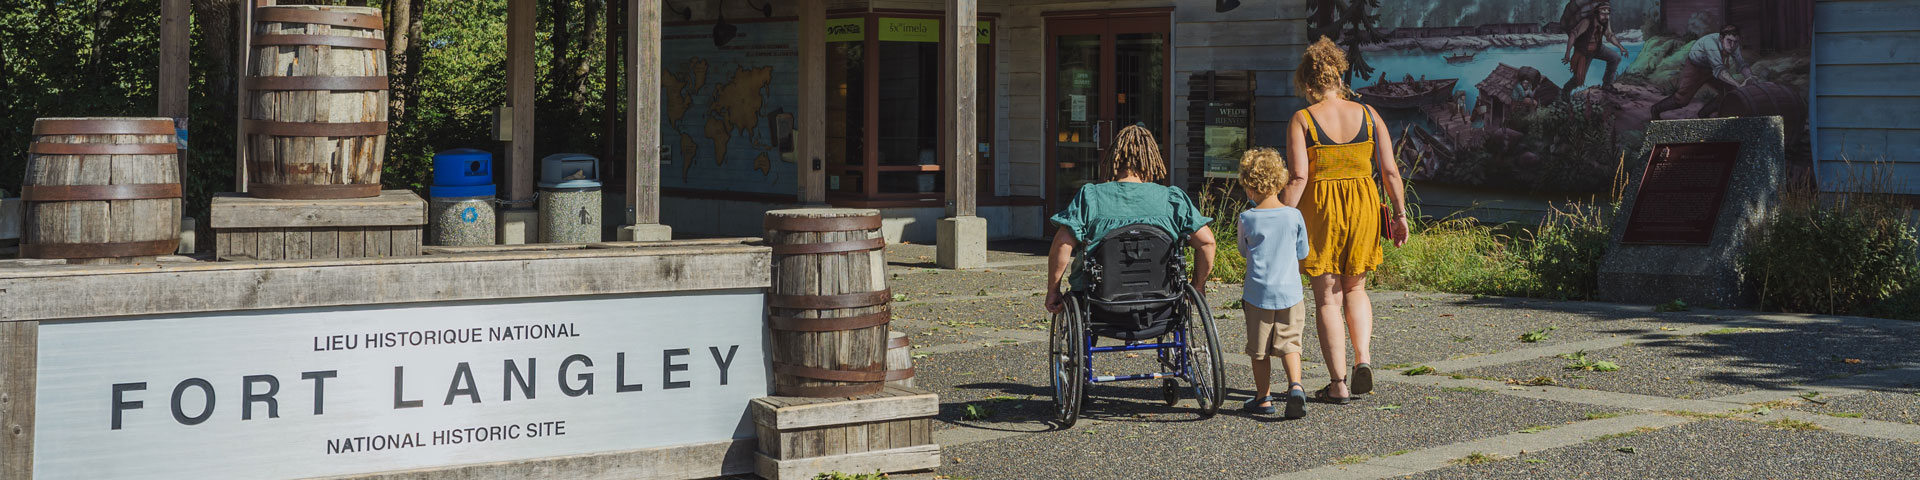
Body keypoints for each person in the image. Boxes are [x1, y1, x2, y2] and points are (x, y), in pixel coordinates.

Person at [1283, 37, 1412, 404]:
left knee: (1327, 297)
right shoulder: (1370, 116)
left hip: (1321, 209)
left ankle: (1337, 383)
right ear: (1340, 77)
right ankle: (1363, 360)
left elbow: (1298, 179)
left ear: (1308, 83)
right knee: (1356, 288)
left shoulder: (1303, 120)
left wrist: (1277, 219)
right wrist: (1400, 215)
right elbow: (1389, 172)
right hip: (1364, 207)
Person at [1045, 125, 1217, 315]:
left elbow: (1062, 243)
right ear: (1152, 158)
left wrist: (1053, 291)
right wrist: (1198, 286)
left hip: (1098, 303)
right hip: (1161, 303)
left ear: (1114, 158)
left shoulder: (1090, 197)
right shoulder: (1172, 199)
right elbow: (1207, 242)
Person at [1234, 147, 1313, 419]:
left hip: (1258, 294)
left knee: (1259, 351)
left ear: (1249, 186)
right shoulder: (1294, 216)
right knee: (1290, 344)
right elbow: (1303, 253)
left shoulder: (1247, 218)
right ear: (1280, 181)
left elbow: (1244, 252)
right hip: (1291, 293)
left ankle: (1263, 398)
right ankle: (1296, 386)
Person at [1651, 24, 1754, 119]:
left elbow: (1741, 64)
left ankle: (1704, 114)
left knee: (1728, 93)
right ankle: (1655, 110)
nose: (1732, 45)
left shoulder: (1734, 45)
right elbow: (1720, 70)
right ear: (1722, 38)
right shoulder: (1710, 44)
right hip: (1696, 68)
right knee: (1682, 100)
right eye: (1729, 41)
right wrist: (1737, 84)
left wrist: (1751, 77)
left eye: (1735, 42)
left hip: (1713, 68)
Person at [1562, 0, 1628, 92]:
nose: (1606, 16)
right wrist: (1568, 52)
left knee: (1615, 58)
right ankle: (1565, 91)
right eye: (1603, 13)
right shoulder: (1587, 22)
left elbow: (1609, 35)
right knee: (1578, 79)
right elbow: (1574, 34)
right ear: (1597, 13)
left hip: (1598, 48)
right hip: (1584, 52)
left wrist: (1620, 47)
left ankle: (1607, 84)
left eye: (1607, 13)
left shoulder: (1605, 21)